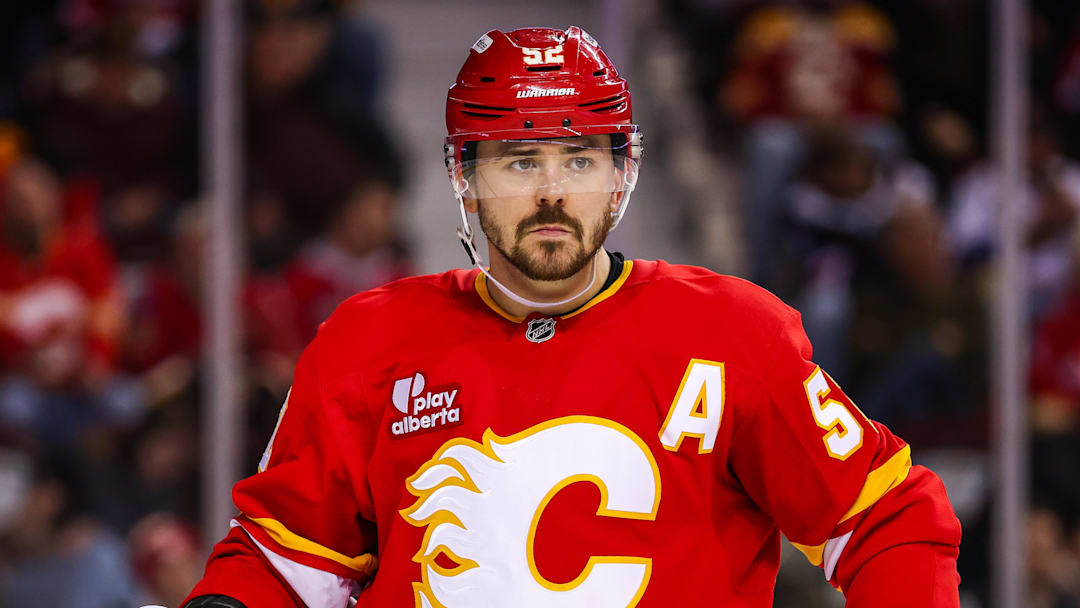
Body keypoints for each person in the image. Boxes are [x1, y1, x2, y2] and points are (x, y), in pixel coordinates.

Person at [182, 27, 961, 608]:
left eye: (580, 158)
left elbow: (887, 518)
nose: (552, 191)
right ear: (465, 177)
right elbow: (284, 566)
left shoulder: (731, 334)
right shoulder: (367, 342)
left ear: (622, 174)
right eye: (520, 160)